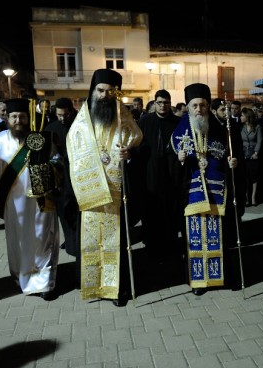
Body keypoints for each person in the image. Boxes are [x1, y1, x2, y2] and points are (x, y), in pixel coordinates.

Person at [66, 69, 143, 306]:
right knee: (91, 240)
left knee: (114, 241)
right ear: (93, 91)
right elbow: (74, 149)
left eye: (110, 92)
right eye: (100, 90)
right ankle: (94, 286)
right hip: (91, 189)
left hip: (116, 190)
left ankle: (116, 289)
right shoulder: (83, 120)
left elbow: (137, 141)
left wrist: (129, 153)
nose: (104, 95)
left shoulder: (123, 116)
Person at [0, 98, 64, 301]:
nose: (18, 121)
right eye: (14, 117)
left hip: (41, 201)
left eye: (22, 116)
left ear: (29, 118)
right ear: (7, 118)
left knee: (43, 239)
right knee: (18, 243)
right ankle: (22, 277)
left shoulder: (42, 139)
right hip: (13, 204)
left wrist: (49, 170)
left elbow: (58, 163)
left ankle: (44, 283)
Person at [170, 83, 239, 296]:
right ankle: (198, 281)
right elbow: (169, 165)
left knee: (217, 236)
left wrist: (232, 163)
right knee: (195, 238)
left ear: (208, 106)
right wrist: (179, 159)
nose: (199, 109)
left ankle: (217, 278)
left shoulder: (220, 129)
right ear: (188, 107)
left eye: (202, 105)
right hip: (191, 193)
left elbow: (230, 155)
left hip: (216, 191)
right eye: (195, 105)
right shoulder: (179, 132)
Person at [135, 89, 182, 262]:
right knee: (151, 211)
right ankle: (152, 246)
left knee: (170, 211)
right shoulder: (145, 121)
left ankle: (170, 245)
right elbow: (138, 145)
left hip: (171, 173)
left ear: (170, 104)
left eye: (166, 102)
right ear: (155, 103)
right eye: (160, 102)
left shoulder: (177, 122)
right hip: (151, 173)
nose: (163, 106)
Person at [44, 97, 79, 272]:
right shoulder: (50, 129)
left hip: (78, 176)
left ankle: (76, 244)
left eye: (65, 115)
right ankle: (70, 240)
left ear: (71, 112)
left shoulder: (79, 126)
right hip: (59, 179)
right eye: (59, 115)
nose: (62, 118)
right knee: (64, 212)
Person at [240, 107, 262, 206]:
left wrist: (256, 153)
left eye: (242, 116)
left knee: (254, 177)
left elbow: (259, 141)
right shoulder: (241, 127)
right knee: (245, 177)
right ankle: (245, 198)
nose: (240, 117)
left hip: (253, 153)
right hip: (244, 153)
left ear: (247, 117)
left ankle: (253, 197)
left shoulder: (257, 127)